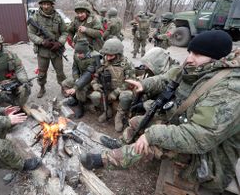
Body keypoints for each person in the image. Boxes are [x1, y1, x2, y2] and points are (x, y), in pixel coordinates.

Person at [80, 30, 240, 194]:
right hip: (183, 123)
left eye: (197, 54)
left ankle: (105, 160)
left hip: (210, 158)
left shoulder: (229, 90)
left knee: (152, 144)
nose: (190, 58)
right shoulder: (200, 68)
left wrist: (152, 135)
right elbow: (167, 78)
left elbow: (198, 136)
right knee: (137, 121)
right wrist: (145, 84)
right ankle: (123, 143)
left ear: (217, 58)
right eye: (190, 52)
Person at [105, 47, 180, 145]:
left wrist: (145, 103)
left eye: (148, 65)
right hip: (155, 101)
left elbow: (163, 85)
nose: (145, 67)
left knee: (138, 121)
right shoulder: (156, 69)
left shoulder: (174, 73)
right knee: (128, 98)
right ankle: (121, 118)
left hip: (166, 110)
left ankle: (122, 143)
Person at [27, 0, 68, 98]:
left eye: (48, 4)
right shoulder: (35, 18)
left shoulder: (58, 17)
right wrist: (41, 41)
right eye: (43, 4)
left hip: (56, 50)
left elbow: (64, 32)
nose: (45, 6)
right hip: (42, 51)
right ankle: (42, 88)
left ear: (52, 4)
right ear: (40, 4)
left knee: (60, 72)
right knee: (41, 73)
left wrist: (60, 42)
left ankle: (64, 87)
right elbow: (30, 33)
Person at [89, 38, 135, 126]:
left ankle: (119, 116)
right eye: (107, 55)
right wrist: (94, 84)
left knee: (127, 96)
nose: (108, 57)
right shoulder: (104, 62)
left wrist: (116, 92)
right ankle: (107, 111)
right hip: (106, 89)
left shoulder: (126, 64)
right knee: (95, 95)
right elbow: (96, 76)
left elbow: (130, 81)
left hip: (121, 90)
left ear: (118, 54)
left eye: (111, 55)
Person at [62, 39, 101, 118]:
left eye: (80, 53)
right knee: (65, 83)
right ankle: (75, 99)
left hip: (92, 79)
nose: (78, 55)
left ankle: (80, 106)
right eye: (77, 53)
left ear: (86, 52)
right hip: (80, 78)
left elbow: (88, 74)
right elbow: (75, 68)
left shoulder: (94, 57)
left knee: (80, 89)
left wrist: (76, 86)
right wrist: (76, 79)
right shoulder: (77, 55)